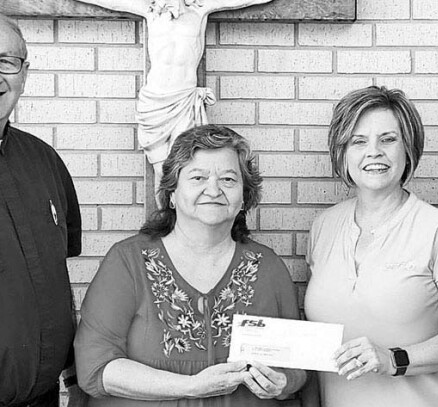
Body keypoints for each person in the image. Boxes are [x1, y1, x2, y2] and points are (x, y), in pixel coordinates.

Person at [74, 124, 306, 406]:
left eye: (229, 180)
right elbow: (95, 368)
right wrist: (192, 386)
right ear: (171, 194)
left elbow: (297, 369)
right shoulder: (128, 262)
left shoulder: (268, 267)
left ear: (244, 197)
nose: (213, 189)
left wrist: (282, 383)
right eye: (197, 177)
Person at [304, 86, 438, 407]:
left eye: (388, 139)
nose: (373, 151)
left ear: (408, 150)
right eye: (358, 141)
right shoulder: (323, 228)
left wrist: (394, 358)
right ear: (341, 153)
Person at [76, 0, 272, 190]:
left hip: (184, 101)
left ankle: (186, 221)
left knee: (187, 169)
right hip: (155, 101)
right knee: (161, 172)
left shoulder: (200, 9)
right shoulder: (151, 11)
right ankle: (163, 222)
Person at [0, 14, 83, 407]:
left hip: (44, 399)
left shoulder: (44, 161)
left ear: (24, 73)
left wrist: (75, 376)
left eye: (6, 62)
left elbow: (54, 280)